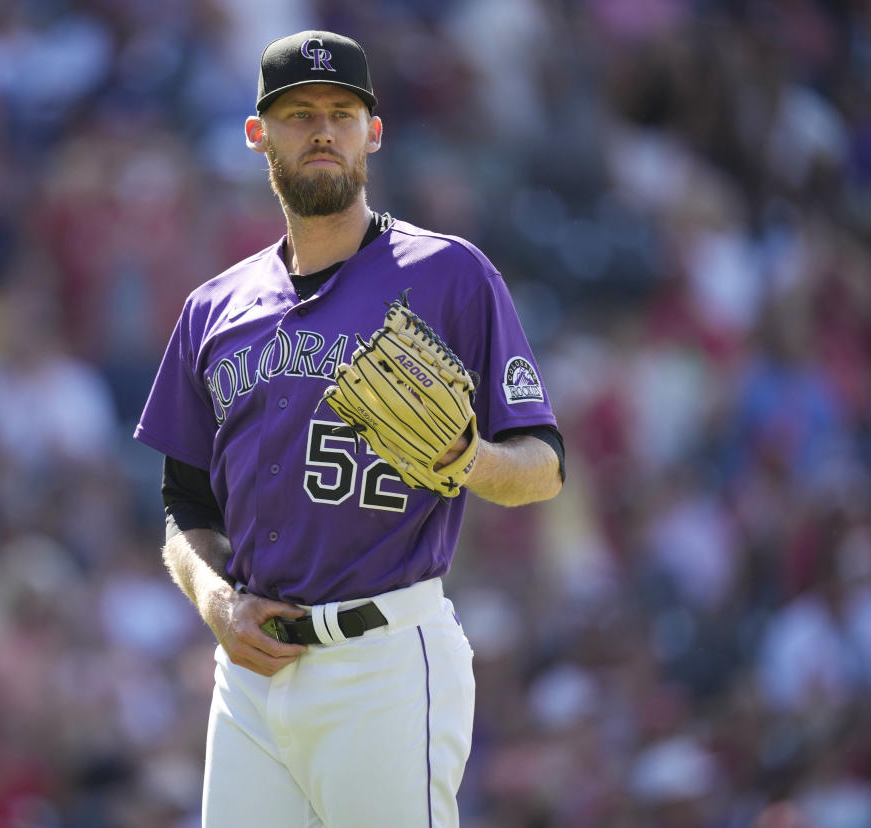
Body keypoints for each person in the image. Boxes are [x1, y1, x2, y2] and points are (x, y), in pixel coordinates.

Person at [134, 30, 565, 827]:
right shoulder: (213, 310)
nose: (323, 130)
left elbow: (543, 466)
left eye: (342, 111)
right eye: (299, 114)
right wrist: (217, 603)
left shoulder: (449, 274)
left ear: (375, 130)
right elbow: (184, 507)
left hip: (386, 660)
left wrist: (469, 459)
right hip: (252, 675)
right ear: (258, 134)